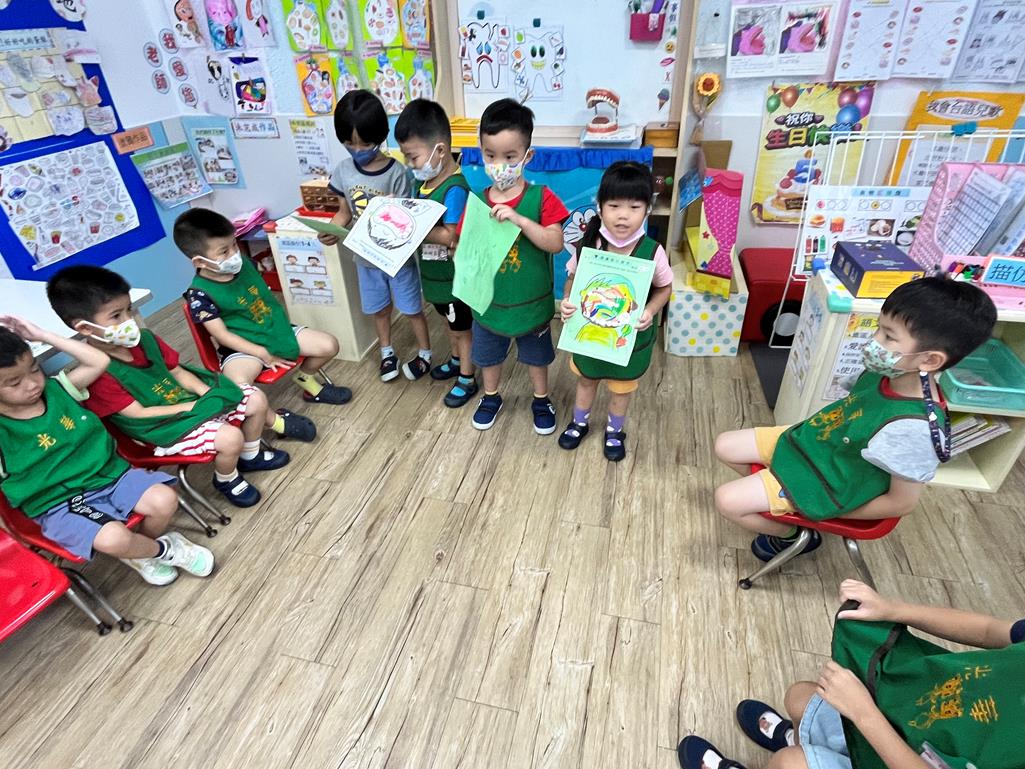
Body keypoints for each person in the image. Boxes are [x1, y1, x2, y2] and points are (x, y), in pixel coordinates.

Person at [712, 277, 996, 562]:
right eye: (879, 328)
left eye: (889, 336)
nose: (875, 341)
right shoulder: (886, 373)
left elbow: (901, 503)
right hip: (818, 444)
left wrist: (822, 510)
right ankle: (778, 496)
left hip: (831, 483)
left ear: (930, 360)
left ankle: (791, 535)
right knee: (725, 446)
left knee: (728, 501)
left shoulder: (913, 429)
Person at [677, 579, 1025, 769]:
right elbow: (990, 630)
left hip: (903, 747)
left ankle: (802, 749)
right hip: (911, 719)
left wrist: (864, 713)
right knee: (799, 697)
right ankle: (801, 740)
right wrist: (894, 609)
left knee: (788, 764)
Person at [47, 265, 289, 508]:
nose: (129, 321)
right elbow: (138, 414)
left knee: (255, 399)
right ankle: (226, 479)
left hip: (187, 404)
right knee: (230, 438)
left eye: (129, 310)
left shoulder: (145, 340)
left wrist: (205, 393)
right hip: (162, 426)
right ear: (85, 328)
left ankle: (250, 455)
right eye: (116, 316)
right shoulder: (98, 374)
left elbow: (177, 372)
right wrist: (192, 407)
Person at [0, 316, 214, 586]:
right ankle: (165, 550)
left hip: (110, 475)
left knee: (165, 500)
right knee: (114, 539)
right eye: (14, 382)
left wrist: (42, 335)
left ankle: (139, 553)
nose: (32, 384)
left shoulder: (58, 390)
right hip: (59, 503)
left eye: (34, 369)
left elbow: (99, 361)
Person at [176, 207, 351, 420]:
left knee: (329, 345)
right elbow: (222, 335)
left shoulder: (243, 265)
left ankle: (306, 378)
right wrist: (262, 353)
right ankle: (276, 422)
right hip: (241, 348)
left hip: (276, 331)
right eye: (224, 252)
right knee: (240, 389)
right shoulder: (200, 294)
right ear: (200, 262)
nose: (234, 254)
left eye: (234, 245)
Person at [463, 98, 569, 433]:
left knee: (537, 356)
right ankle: (491, 396)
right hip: (490, 303)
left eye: (509, 157)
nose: (499, 165)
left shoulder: (542, 197)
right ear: (481, 153)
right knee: (488, 355)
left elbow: (555, 242)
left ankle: (541, 398)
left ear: (527, 156)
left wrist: (520, 220)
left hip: (531, 304)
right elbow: (467, 250)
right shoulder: (477, 201)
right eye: (490, 155)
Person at [557, 161, 672, 461]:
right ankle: (579, 423)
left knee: (621, 389)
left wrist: (650, 310)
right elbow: (572, 279)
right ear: (600, 207)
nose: (623, 215)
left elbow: (665, 288)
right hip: (591, 335)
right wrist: (567, 300)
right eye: (614, 206)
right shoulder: (589, 245)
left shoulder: (653, 251)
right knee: (586, 379)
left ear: (647, 210)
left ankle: (614, 430)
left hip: (627, 341)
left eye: (634, 207)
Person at [316, 89, 434, 384]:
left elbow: (408, 218)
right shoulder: (343, 171)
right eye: (349, 144)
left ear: (380, 137)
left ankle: (425, 353)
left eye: (365, 144)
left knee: (412, 308)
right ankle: (386, 352)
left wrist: (393, 208)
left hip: (397, 258)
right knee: (379, 309)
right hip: (365, 259)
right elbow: (344, 212)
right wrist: (331, 230)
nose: (358, 150)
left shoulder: (397, 172)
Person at [395, 97, 477, 408]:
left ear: (440, 151)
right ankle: (456, 361)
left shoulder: (454, 188)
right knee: (448, 323)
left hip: (454, 281)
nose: (410, 165)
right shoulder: (426, 183)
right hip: (435, 278)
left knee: (462, 330)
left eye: (413, 157)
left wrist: (410, 225)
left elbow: (450, 235)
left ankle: (467, 377)